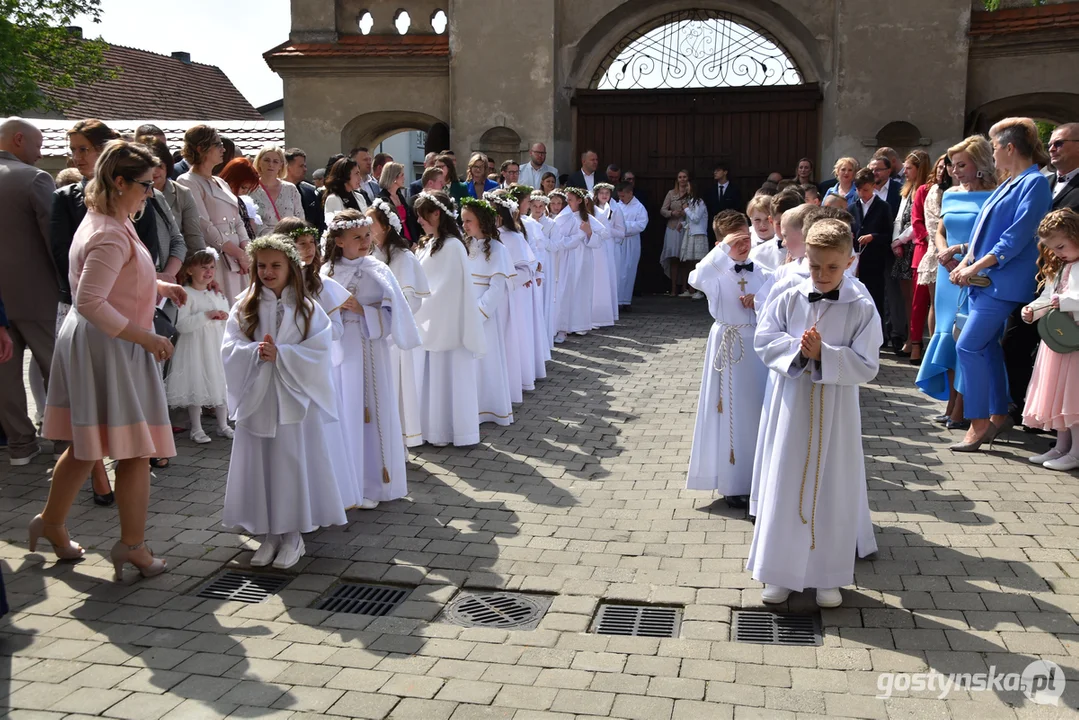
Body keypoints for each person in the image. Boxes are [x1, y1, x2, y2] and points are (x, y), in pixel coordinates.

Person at [36, 140, 187, 579]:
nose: (151, 191)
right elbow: (89, 300)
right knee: (135, 451)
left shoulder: (110, 218)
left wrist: (158, 287)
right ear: (119, 182)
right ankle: (132, 547)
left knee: (88, 447)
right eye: (145, 184)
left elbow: (114, 281)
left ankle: (51, 524)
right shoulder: (106, 230)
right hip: (111, 345)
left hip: (107, 342)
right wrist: (145, 337)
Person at [747, 218, 881, 607]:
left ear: (849, 261)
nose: (822, 275)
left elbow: (868, 363)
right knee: (786, 477)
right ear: (804, 255)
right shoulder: (788, 291)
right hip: (792, 400)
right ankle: (779, 572)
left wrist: (827, 355)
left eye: (832, 267)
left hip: (837, 408)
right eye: (815, 265)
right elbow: (765, 337)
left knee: (833, 485)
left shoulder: (860, 303)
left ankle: (827, 576)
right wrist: (797, 351)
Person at [222, 234, 346, 568]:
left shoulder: (306, 308)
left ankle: (293, 536)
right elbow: (229, 346)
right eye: (261, 266)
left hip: (293, 400)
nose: (267, 272)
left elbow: (321, 349)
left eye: (275, 265)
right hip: (258, 397)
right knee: (261, 464)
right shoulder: (244, 304)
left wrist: (285, 355)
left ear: (291, 267)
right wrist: (254, 354)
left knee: (290, 462)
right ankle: (269, 534)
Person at [951, 118, 1052, 452]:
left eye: (994, 146)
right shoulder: (1011, 182)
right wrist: (966, 262)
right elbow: (983, 233)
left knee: (967, 346)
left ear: (1010, 148)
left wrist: (975, 266)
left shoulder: (1034, 183)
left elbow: (1017, 237)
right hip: (986, 281)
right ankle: (998, 413)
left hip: (1003, 284)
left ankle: (978, 423)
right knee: (987, 347)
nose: (991, 153)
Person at [322, 210, 419, 506]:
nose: (365, 242)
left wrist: (363, 311)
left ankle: (374, 483)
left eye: (367, 235)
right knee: (342, 409)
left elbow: (397, 315)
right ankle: (344, 482)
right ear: (339, 241)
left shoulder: (379, 270)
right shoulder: (326, 272)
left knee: (370, 412)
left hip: (368, 348)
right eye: (357, 237)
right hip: (337, 351)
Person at [274, 216, 361, 510]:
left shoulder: (322, 285)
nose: (309, 250)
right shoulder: (271, 288)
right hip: (281, 370)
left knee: (318, 436)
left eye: (312, 243)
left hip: (313, 368)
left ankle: (322, 498)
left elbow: (336, 330)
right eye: (301, 244)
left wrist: (307, 332)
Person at [916, 137, 996, 428]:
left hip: (974, 276)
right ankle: (951, 406)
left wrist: (959, 252)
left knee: (965, 340)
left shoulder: (994, 196)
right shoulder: (949, 194)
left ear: (980, 163)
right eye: (953, 164)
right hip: (948, 276)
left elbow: (990, 240)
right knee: (946, 337)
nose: (955, 170)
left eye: (962, 164)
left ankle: (964, 408)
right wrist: (941, 251)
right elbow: (939, 229)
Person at [686, 222, 768, 509]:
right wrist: (721, 250)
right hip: (729, 339)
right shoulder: (716, 270)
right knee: (730, 411)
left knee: (755, 410)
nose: (743, 246)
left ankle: (755, 478)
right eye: (736, 241)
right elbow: (695, 278)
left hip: (757, 345)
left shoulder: (760, 269)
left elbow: (777, 294)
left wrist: (759, 301)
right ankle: (732, 482)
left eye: (747, 239)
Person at [1003, 122, 1079, 425]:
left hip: (1070, 282)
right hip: (1034, 277)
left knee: (1062, 352)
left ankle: (1062, 422)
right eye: (1050, 143)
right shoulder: (1041, 182)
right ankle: (1023, 408)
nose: (1052, 148)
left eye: (1060, 143)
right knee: (1015, 342)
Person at [0, 118, 61, 467]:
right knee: (56, 369)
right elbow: (52, 239)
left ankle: (20, 445)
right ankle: (64, 439)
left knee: (5, 374)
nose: (40, 155)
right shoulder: (34, 179)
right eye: (37, 146)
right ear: (19, 140)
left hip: (1, 300)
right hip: (38, 293)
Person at [413, 191, 486, 446]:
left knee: (448, 380)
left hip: (448, 325)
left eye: (422, 216)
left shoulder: (453, 246)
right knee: (433, 382)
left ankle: (451, 432)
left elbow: (449, 287)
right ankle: (432, 430)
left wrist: (421, 303)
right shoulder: (429, 242)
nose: (419, 221)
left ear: (436, 214)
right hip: (430, 321)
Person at [367, 200, 430, 448]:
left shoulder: (403, 257)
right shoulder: (370, 254)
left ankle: (400, 439)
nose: (367, 228)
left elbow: (411, 301)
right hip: (375, 330)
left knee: (397, 388)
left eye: (371, 223)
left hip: (395, 335)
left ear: (386, 226)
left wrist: (390, 322)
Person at [1020, 209, 1079, 469]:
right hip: (1057, 342)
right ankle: (1061, 447)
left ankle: (1076, 452)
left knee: (1073, 398)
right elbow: (1048, 297)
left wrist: (1064, 301)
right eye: (1053, 248)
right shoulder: (1061, 266)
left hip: (1075, 343)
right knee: (1059, 397)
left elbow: (1065, 299)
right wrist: (1033, 310)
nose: (1057, 252)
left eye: (1062, 246)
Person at [165, 249, 232, 443]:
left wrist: (223, 316)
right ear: (190, 271)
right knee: (196, 384)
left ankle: (223, 424)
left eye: (212, 267)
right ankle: (196, 428)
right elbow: (181, 325)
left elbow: (227, 316)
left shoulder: (217, 294)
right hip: (195, 347)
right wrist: (206, 316)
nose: (209, 271)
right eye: (203, 267)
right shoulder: (186, 294)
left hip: (215, 345)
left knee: (219, 381)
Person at [177, 125, 250, 301]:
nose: (223, 149)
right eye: (218, 144)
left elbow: (237, 218)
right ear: (201, 148)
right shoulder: (188, 181)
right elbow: (203, 225)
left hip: (238, 260)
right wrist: (237, 253)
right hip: (215, 259)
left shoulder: (221, 182)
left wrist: (246, 250)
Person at [461, 197, 515, 424]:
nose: (464, 225)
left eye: (468, 221)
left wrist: (479, 313)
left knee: (486, 362)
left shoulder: (497, 249)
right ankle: (468, 407)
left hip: (484, 315)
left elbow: (497, 288)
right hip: (464, 312)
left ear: (482, 221)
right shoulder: (465, 246)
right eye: (462, 221)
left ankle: (489, 408)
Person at [488, 189, 539, 400]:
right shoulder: (486, 236)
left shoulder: (513, 237)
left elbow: (526, 269)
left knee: (509, 338)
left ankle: (510, 382)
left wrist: (504, 281)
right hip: (487, 295)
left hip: (507, 296)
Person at [909, 155, 951, 367]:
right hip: (935, 251)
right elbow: (925, 223)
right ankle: (932, 351)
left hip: (953, 252)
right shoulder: (932, 191)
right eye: (941, 166)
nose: (944, 170)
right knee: (933, 303)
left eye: (949, 166)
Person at [890, 151, 931, 359]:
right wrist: (895, 241)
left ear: (919, 168)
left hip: (914, 247)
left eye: (909, 168)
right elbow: (900, 219)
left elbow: (918, 222)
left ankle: (914, 339)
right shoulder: (907, 190)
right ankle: (909, 336)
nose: (904, 172)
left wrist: (901, 240)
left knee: (916, 298)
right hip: (902, 248)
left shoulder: (924, 191)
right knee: (907, 297)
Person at [553, 187, 603, 342]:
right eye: (566, 200)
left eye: (570, 200)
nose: (567, 203)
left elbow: (601, 236)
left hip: (583, 257)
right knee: (565, 289)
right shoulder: (562, 216)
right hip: (566, 257)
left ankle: (579, 324)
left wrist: (589, 233)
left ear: (580, 201)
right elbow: (556, 235)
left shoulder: (586, 217)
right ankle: (562, 326)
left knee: (581, 289)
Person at [850, 168, 893, 333]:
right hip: (856, 260)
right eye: (859, 189)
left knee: (875, 297)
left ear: (873, 186)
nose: (862, 193)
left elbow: (888, 234)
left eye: (865, 189)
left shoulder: (883, 207)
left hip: (875, 260)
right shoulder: (853, 207)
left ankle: (878, 334)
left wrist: (873, 236)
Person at [144, 138, 204, 254]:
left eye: (159, 166)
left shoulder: (182, 193)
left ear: (167, 166)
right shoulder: (132, 193)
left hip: (178, 262)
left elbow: (193, 235)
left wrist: (201, 263)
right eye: (149, 167)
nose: (155, 172)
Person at [249, 145, 303, 235]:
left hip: (289, 242)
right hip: (261, 243)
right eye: (266, 160)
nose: (271, 164)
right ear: (259, 162)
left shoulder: (291, 189)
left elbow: (300, 218)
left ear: (281, 165)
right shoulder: (250, 190)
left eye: (275, 161)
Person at [591, 183, 624, 317]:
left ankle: (608, 311)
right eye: (601, 193)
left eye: (607, 193)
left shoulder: (615, 210)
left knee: (608, 275)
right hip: (595, 245)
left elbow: (621, 232)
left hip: (609, 245)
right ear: (596, 195)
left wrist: (607, 230)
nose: (604, 196)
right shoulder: (591, 209)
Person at [750, 190, 803, 273]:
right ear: (771, 221)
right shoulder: (757, 255)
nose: (785, 230)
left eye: (793, 224)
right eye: (780, 223)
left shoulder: (812, 252)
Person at [616, 181, 647, 311]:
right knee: (618, 270)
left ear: (630, 193)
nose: (621, 199)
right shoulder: (617, 206)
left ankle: (626, 300)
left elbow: (641, 224)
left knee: (629, 270)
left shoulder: (639, 207)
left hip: (631, 241)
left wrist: (624, 226)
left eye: (623, 196)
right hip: (618, 241)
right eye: (619, 196)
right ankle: (616, 301)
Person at [660, 170, 692, 296]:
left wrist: (685, 213)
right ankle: (673, 288)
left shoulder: (691, 194)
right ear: (677, 179)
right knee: (674, 257)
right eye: (680, 177)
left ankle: (685, 288)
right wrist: (672, 213)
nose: (682, 179)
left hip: (686, 227)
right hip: (673, 227)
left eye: (685, 177)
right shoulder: (671, 193)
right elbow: (663, 210)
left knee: (685, 258)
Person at [219, 157, 263, 241]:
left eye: (248, 189)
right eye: (243, 187)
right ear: (231, 178)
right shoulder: (216, 198)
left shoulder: (240, 202)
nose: (245, 192)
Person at [378, 161, 421, 245]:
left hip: (409, 237)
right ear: (394, 177)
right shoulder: (382, 199)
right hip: (396, 241)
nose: (404, 178)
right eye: (402, 175)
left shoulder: (400, 196)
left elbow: (409, 219)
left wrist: (413, 241)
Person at [679, 182, 709, 299]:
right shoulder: (691, 201)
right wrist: (683, 224)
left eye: (688, 186)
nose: (686, 188)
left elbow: (696, 218)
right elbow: (690, 221)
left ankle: (700, 291)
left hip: (699, 235)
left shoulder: (700, 202)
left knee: (698, 262)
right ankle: (690, 289)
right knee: (689, 262)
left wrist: (686, 209)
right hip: (691, 234)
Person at [285, 148, 324, 231]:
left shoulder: (310, 191)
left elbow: (319, 221)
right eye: (301, 166)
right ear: (288, 167)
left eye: (305, 166)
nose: (305, 169)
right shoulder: (277, 191)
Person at [705, 162, 743, 246]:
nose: (715, 172)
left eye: (718, 170)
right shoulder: (710, 190)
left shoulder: (735, 190)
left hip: (730, 225)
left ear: (725, 172)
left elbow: (738, 207)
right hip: (713, 227)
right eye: (714, 171)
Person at [322, 157, 369, 224]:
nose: (360, 178)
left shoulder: (360, 197)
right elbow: (335, 226)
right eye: (356, 173)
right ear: (345, 176)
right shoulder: (333, 199)